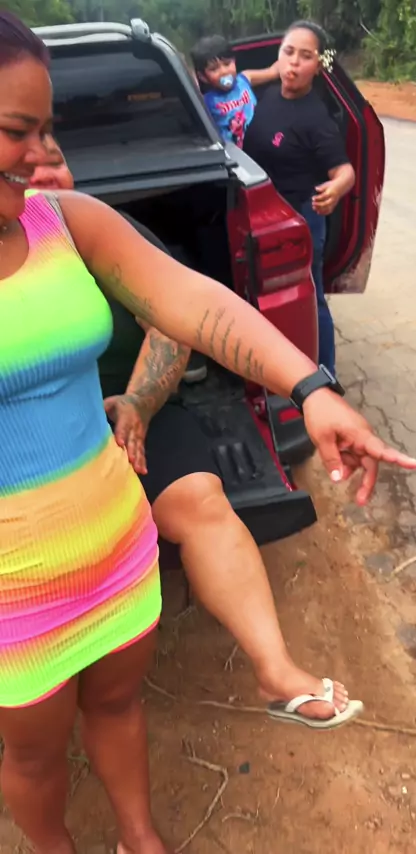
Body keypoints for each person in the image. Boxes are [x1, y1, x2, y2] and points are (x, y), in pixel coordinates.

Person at [0, 11, 416, 854]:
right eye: (19, 130)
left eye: (48, 129)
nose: (41, 154)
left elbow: (192, 301)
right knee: (34, 759)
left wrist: (311, 388)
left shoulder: (64, 220)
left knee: (118, 705)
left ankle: (141, 838)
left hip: (115, 547)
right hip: (12, 593)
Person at [30, 135, 380, 729]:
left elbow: (175, 321)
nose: (44, 175)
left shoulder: (93, 231)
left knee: (201, 502)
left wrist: (140, 403)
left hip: (131, 412)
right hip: (32, 446)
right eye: (23, 154)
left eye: (55, 161)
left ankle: (275, 670)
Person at [244, 20, 355, 377]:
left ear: (318, 66)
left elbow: (345, 172)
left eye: (305, 56)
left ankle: (326, 373)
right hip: (261, 214)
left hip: (300, 220)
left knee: (309, 297)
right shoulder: (266, 95)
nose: (293, 62)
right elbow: (235, 82)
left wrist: (335, 190)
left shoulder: (315, 118)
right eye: (288, 52)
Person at [191, 34, 278, 148]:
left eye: (227, 64)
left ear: (234, 61)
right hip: (236, 154)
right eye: (214, 69)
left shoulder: (245, 79)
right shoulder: (206, 101)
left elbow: (273, 72)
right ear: (203, 77)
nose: (224, 71)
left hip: (263, 142)